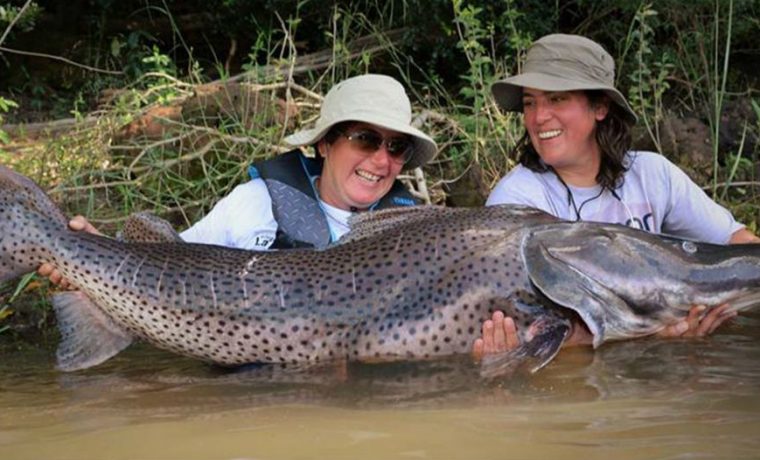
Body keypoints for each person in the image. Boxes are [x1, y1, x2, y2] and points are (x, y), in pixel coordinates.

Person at [473, 33, 760, 359]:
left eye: (557, 99)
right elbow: (531, 331)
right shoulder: (515, 199)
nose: (539, 118)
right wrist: (655, 334)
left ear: (600, 107)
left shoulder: (653, 173)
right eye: (530, 102)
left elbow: (737, 242)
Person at [38, 74, 438, 286]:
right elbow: (162, 269)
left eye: (397, 147)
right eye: (366, 139)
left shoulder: (419, 235)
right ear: (324, 144)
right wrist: (90, 255)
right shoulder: (255, 202)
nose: (382, 159)